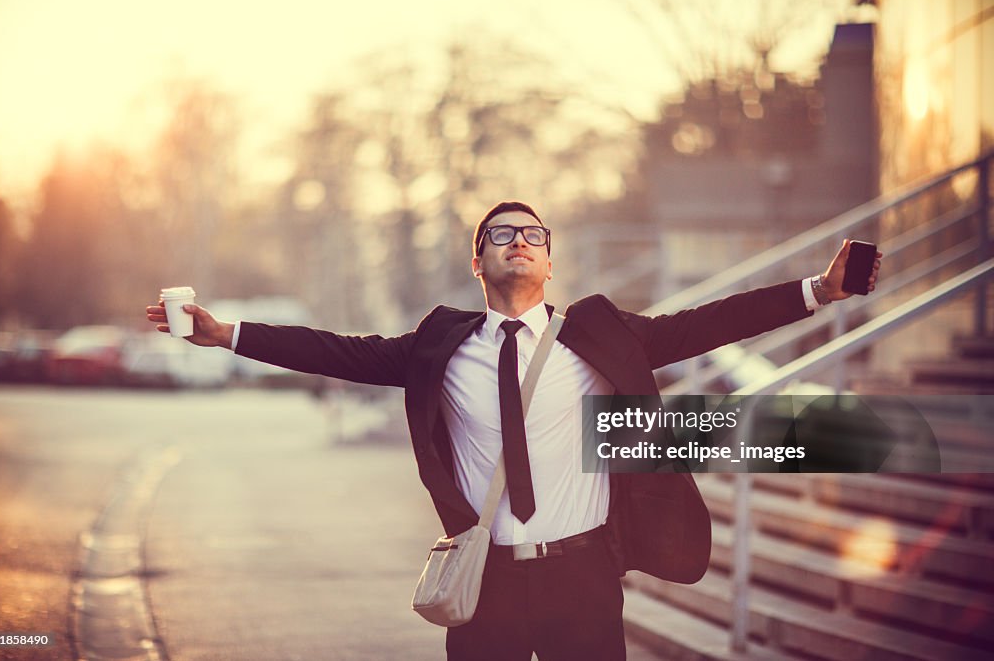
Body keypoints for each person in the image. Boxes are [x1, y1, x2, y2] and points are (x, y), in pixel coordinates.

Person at [145, 201, 881, 660]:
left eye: (532, 233)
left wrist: (820, 290)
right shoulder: (440, 344)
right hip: (484, 580)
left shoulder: (597, 334)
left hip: (585, 574)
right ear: (478, 261)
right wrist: (228, 334)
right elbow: (337, 350)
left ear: (550, 260)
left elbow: (706, 324)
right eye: (501, 234)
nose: (518, 241)